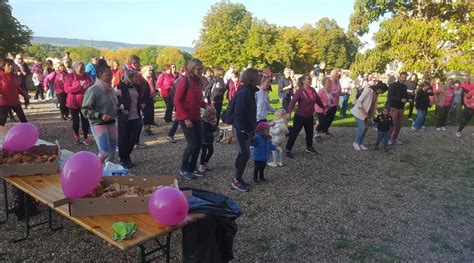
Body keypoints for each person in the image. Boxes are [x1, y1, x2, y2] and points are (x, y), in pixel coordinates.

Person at [174, 59, 207, 180]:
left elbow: (197, 99)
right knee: (192, 144)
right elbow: (177, 101)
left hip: (196, 117)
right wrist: (185, 118)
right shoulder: (184, 81)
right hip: (185, 118)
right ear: (192, 69)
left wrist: (206, 105)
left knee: (199, 144)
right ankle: (184, 168)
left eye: (202, 68)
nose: (201, 71)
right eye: (199, 69)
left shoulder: (198, 82)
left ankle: (193, 167)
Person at [82, 59, 119, 162]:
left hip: (111, 123)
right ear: (100, 75)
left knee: (112, 152)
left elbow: (113, 105)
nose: (111, 77)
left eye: (111, 74)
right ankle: (92, 169)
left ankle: (107, 172)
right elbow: (85, 110)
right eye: (108, 75)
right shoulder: (93, 90)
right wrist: (100, 115)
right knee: (104, 152)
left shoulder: (110, 90)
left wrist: (120, 110)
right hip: (99, 124)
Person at [231, 68, 261, 192]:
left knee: (243, 153)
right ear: (252, 78)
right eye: (258, 76)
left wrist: (252, 129)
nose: (260, 78)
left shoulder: (250, 91)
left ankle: (236, 177)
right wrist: (243, 130)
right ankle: (236, 180)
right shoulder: (245, 92)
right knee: (245, 154)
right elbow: (238, 113)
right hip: (240, 129)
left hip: (246, 128)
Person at [285, 74, 324, 157]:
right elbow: (292, 102)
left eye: (311, 78)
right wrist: (288, 112)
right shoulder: (300, 91)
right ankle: (288, 149)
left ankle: (309, 147)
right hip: (300, 116)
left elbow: (318, 100)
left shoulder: (312, 90)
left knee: (310, 132)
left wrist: (323, 108)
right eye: (308, 79)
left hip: (309, 116)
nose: (310, 80)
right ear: (303, 81)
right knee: (295, 133)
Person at [116, 70, 145, 168]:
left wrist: (140, 104)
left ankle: (127, 156)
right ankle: (123, 158)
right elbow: (115, 102)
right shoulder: (120, 88)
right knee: (124, 139)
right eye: (136, 77)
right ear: (130, 78)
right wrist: (121, 109)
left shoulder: (137, 87)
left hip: (136, 116)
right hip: (125, 118)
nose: (138, 79)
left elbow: (137, 100)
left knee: (133, 138)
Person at [351, 81, 388, 150]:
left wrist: (375, 113)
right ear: (379, 89)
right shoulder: (368, 90)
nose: (382, 92)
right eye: (382, 91)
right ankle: (355, 143)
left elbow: (374, 105)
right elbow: (359, 102)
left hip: (367, 114)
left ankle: (360, 143)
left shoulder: (376, 94)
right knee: (362, 127)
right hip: (359, 112)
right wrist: (364, 113)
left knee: (365, 128)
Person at [64, 61, 94, 145]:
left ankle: (85, 136)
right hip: (73, 102)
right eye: (81, 69)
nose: (83, 70)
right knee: (75, 121)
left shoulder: (87, 76)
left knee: (85, 120)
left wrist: (89, 85)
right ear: (76, 68)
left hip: (85, 102)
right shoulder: (69, 77)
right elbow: (66, 89)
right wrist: (79, 86)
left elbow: (93, 86)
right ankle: (76, 135)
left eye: (84, 69)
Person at [0, 59, 28, 126]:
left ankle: (27, 133)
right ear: (3, 67)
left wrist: (25, 94)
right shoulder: (1, 76)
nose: (11, 66)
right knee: (2, 120)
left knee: (23, 119)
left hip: (15, 101)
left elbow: (18, 88)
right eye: (8, 65)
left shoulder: (14, 76)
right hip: (4, 102)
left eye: (11, 65)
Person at [387, 72, 409, 145]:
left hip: (401, 108)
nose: (404, 79)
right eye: (403, 77)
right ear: (399, 77)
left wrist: (408, 99)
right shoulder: (393, 85)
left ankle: (394, 138)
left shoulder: (404, 87)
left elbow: (405, 96)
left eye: (405, 78)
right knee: (392, 124)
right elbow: (390, 97)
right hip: (394, 107)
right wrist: (400, 99)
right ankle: (388, 138)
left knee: (399, 125)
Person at [198, 106, 217, 173]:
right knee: (204, 152)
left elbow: (212, 129)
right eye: (213, 114)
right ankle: (201, 165)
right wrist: (213, 133)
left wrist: (216, 130)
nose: (215, 116)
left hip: (209, 140)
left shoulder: (211, 121)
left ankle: (205, 163)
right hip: (204, 140)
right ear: (208, 114)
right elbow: (204, 133)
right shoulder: (203, 122)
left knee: (211, 151)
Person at [314, 77, 333, 142]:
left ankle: (320, 132)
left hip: (327, 109)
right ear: (325, 84)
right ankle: (316, 134)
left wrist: (330, 105)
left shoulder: (329, 90)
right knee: (322, 122)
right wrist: (324, 106)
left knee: (326, 122)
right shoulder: (321, 91)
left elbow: (330, 99)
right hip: (320, 109)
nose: (331, 82)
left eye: (330, 81)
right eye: (329, 82)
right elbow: (317, 100)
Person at [324, 69, 342, 135]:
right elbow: (326, 91)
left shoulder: (338, 82)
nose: (338, 76)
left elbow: (339, 91)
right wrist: (336, 92)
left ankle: (326, 130)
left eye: (339, 75)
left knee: (331, 117)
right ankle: (322, 130)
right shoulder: (330, 82)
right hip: (329, 103)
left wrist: (339, 93)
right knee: (327, 117)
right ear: (333, 75)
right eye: (337, 74)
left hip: (335, 102)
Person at [141, 65, 156, 136]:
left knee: (151, 114)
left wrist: (155, 93)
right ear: (144, 72)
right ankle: (145, 129)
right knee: (146, 114)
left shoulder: (151, 79)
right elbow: (140, 91)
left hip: (150, 98)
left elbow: (152, 88)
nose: (151, 72)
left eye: (151, 70)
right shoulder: (141, 80)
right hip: (144, 100)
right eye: (149, 70)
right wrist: (141, 102)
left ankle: (149, 128)